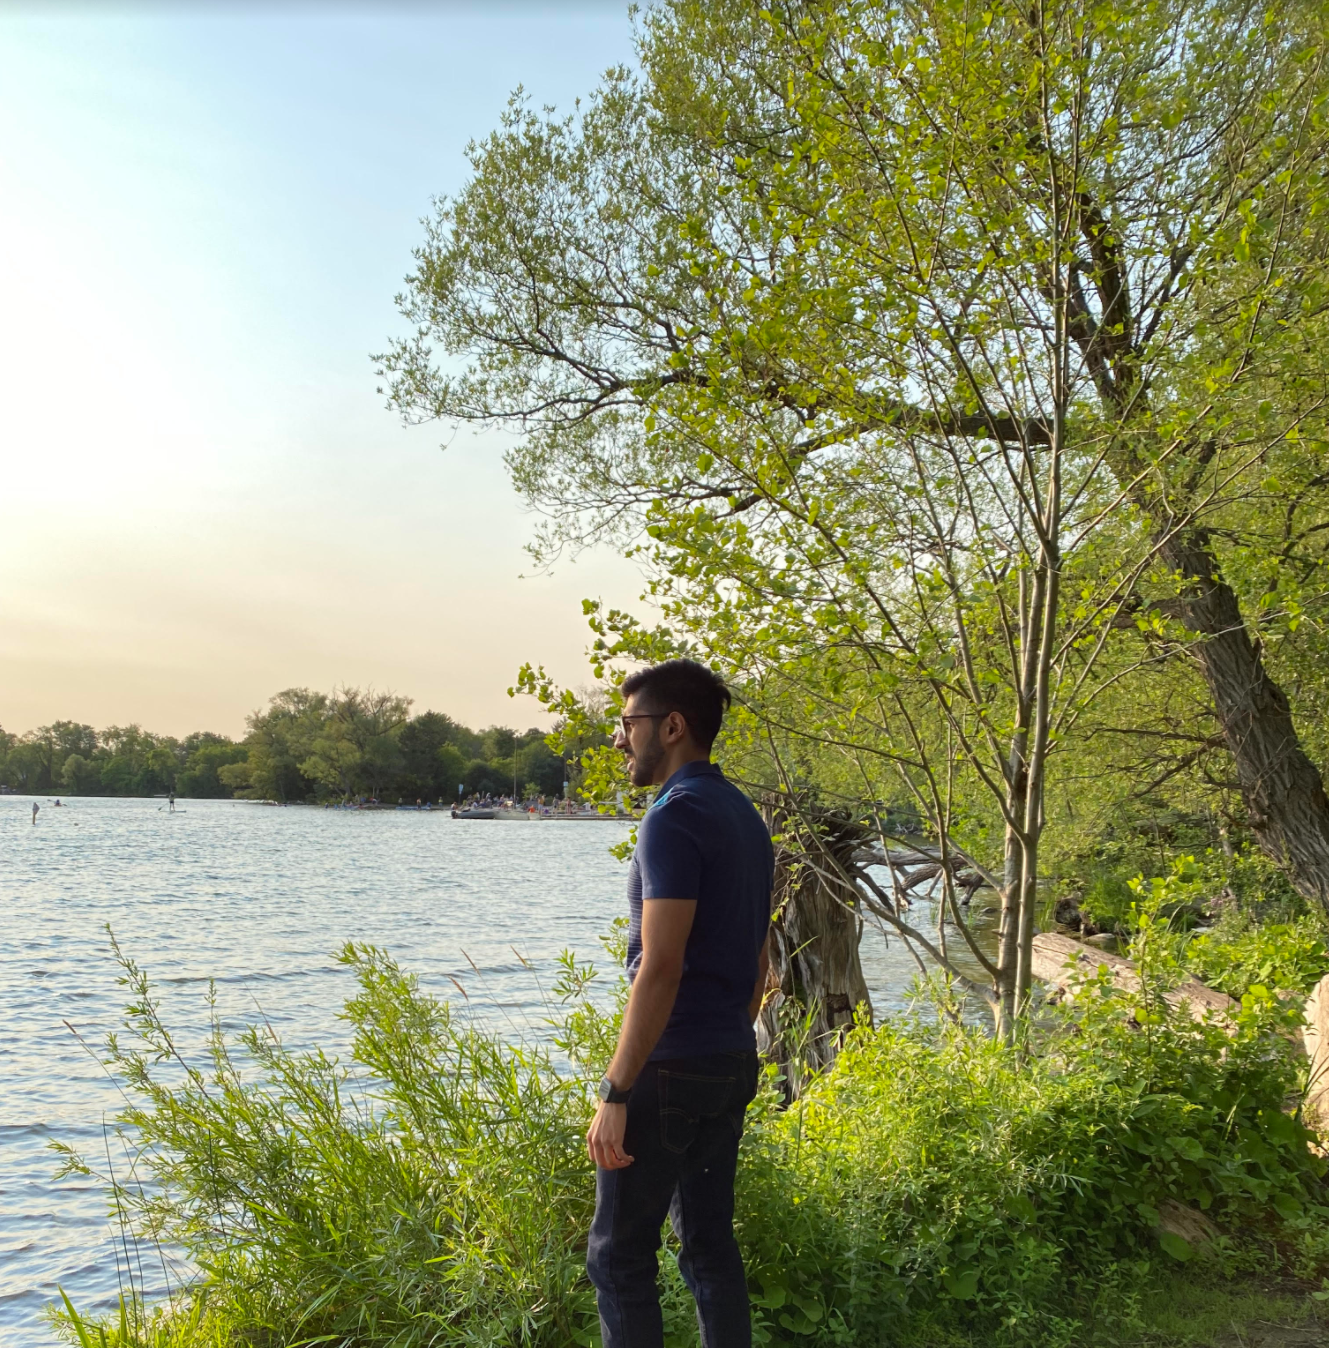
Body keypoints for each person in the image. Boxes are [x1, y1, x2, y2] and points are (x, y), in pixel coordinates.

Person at [585, 659, 774, 1348]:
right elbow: (760, 957)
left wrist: (616, 1089)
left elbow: (660, 967)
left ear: (671, 726)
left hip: (668, 1069)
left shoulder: (673, 816)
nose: (618, 739)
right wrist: (726, 1035)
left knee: (618, 1256)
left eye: (627, 723)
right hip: (727, 1057)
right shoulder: (743, 816)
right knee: (706, 1247)